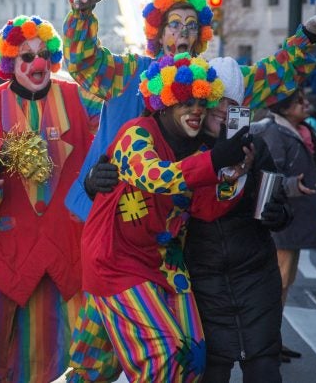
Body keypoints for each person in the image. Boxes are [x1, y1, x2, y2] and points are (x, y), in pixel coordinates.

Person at [64, 0, 316, 381]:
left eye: (190, 25)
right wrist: (82, 14)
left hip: (172, 243)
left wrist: (308, 33)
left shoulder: (214, 82)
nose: (182, 33)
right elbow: (85, 63)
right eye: (173, 25)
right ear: (158, 32)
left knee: (179, 355)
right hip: (115, 238)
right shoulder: (130, 74)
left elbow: (274, 75)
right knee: (107, 360)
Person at [81, 52, 251, 382]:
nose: (197, 111)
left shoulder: (200, 150)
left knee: (192, 355)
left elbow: (207, 206)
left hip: (165, 264)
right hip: (116, 262)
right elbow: (156, 177)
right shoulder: (136, 133)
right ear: (165, 102)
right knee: (164, 355)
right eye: (186, 102)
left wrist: (236, 172)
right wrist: (215, 161)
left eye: (203, 103)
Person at [0, 15, 102, 383]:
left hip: (65, 241)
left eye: (43, 55)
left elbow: (112, 131)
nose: (36, 64)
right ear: (10, 62)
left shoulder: (78, 97)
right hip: (3, 243)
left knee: (65, 340)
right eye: (26, 57)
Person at [183, 56, 293, 383]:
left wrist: (277, 213)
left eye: (231, 104)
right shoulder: (182, 148)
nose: (222, 110)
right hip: (201, 282)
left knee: (263, 368)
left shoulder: (255, 146)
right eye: (215, 102)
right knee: (211, 371)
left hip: (255, 277)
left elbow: (279, 207)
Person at [253, 88, 316, 362]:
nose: (306, 104)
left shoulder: (298, 130)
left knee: (284, 283)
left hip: (293, 218)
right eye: (298, 102)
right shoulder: (275, 132)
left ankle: (274, 341)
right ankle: (267, 343)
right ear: (283, 109)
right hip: (282, 220)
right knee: (276, 284)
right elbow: (271, 174)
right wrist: (294, 185)